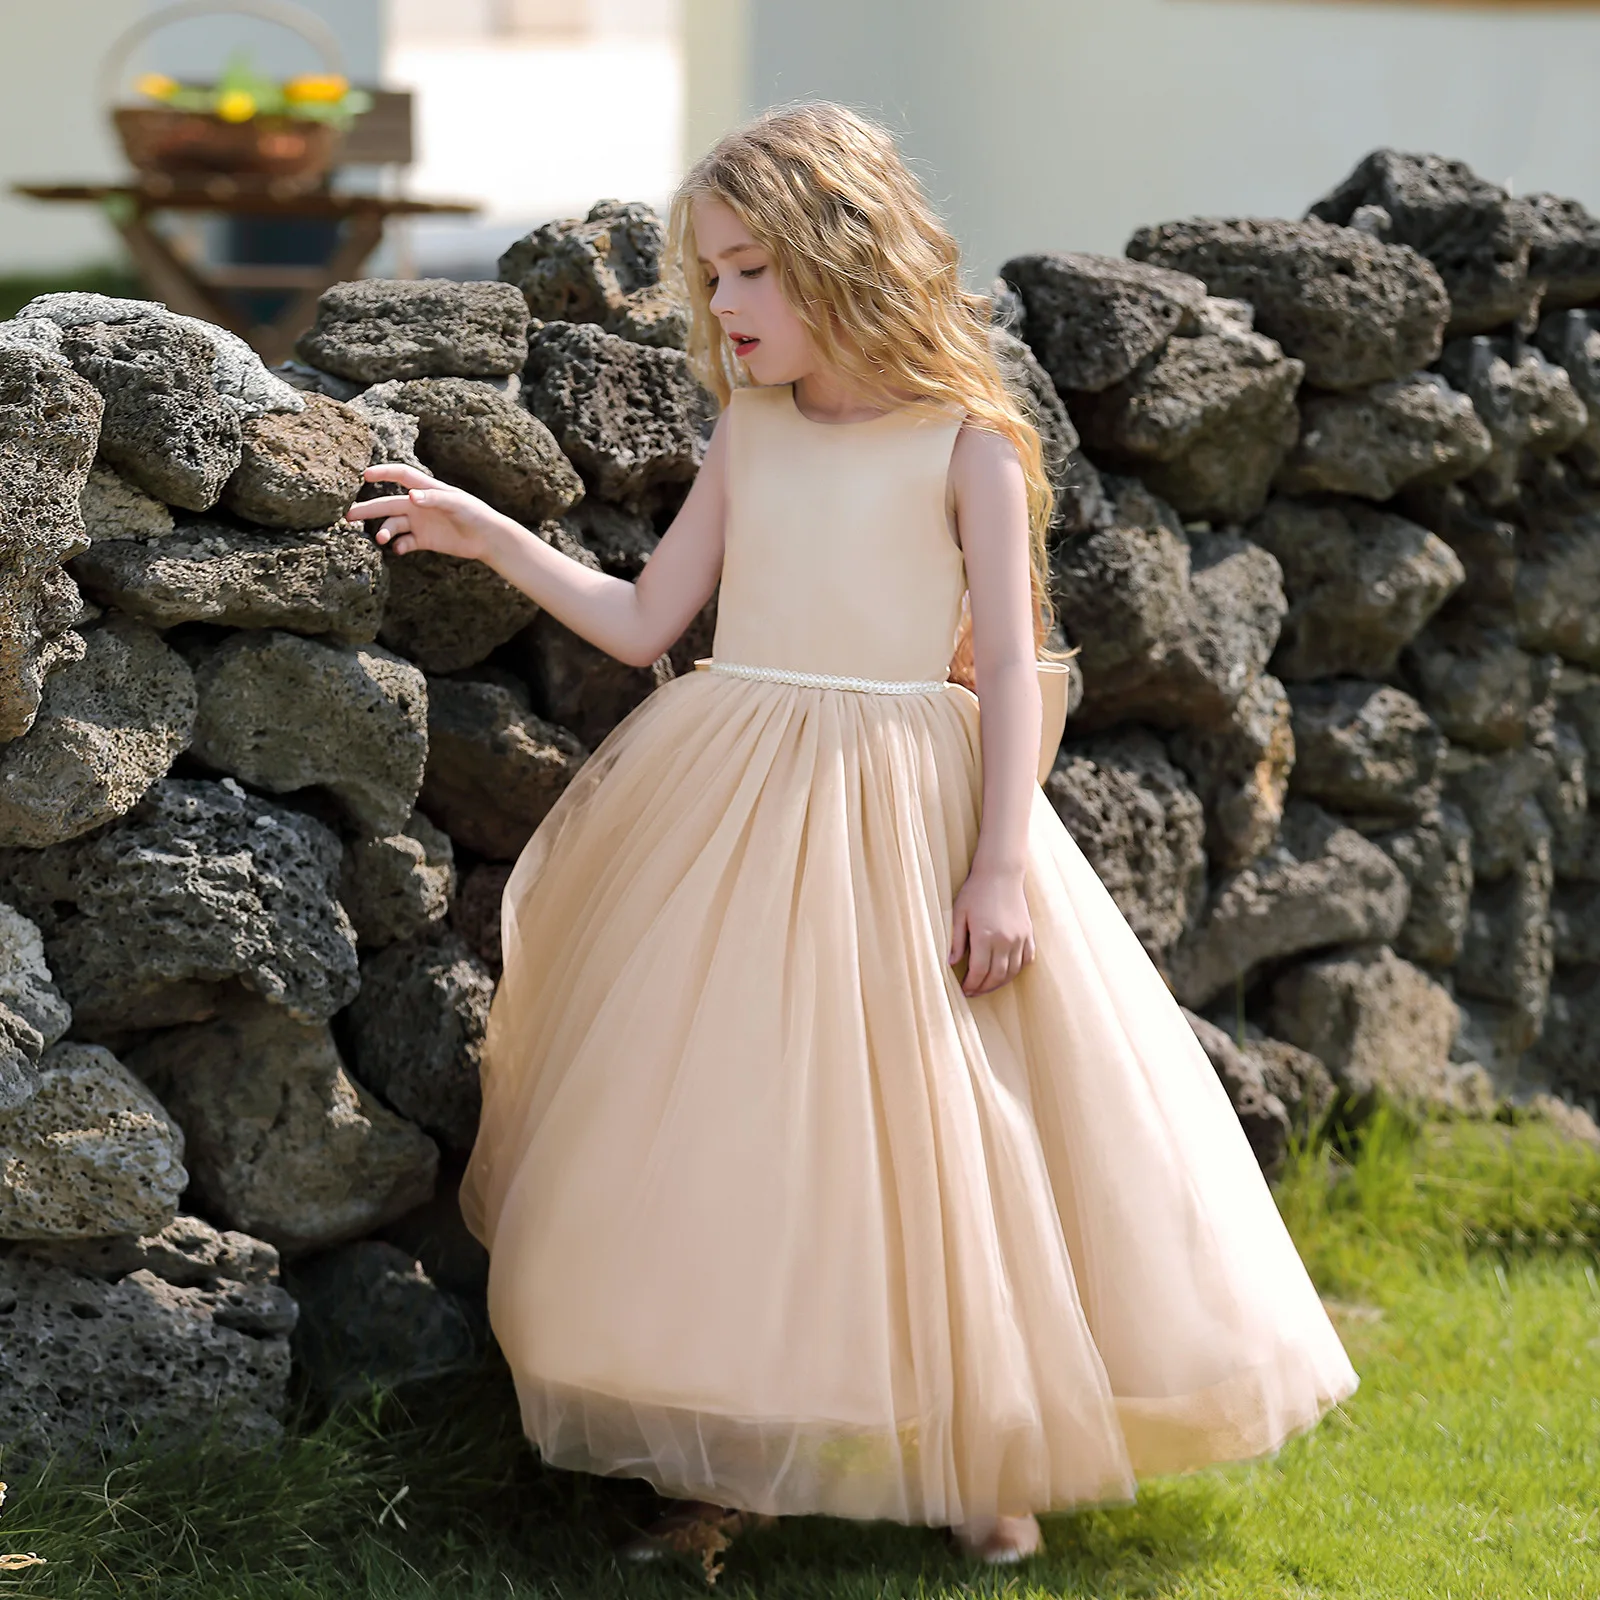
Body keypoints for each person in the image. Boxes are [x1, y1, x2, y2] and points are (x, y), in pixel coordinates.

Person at [346, 101, 1359, 1570]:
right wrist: (490, 530)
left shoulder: (969, 444)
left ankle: (984, 1447)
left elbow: (1009, 667)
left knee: (952, 1133)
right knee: (737, 1129)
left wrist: (999, 860)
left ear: (840, 254)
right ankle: (728, 1444)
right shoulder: (752, 431)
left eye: (752, 270)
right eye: (711, 279)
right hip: (739, 800)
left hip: (910, 807)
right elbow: (645, 621)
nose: (727, 307)